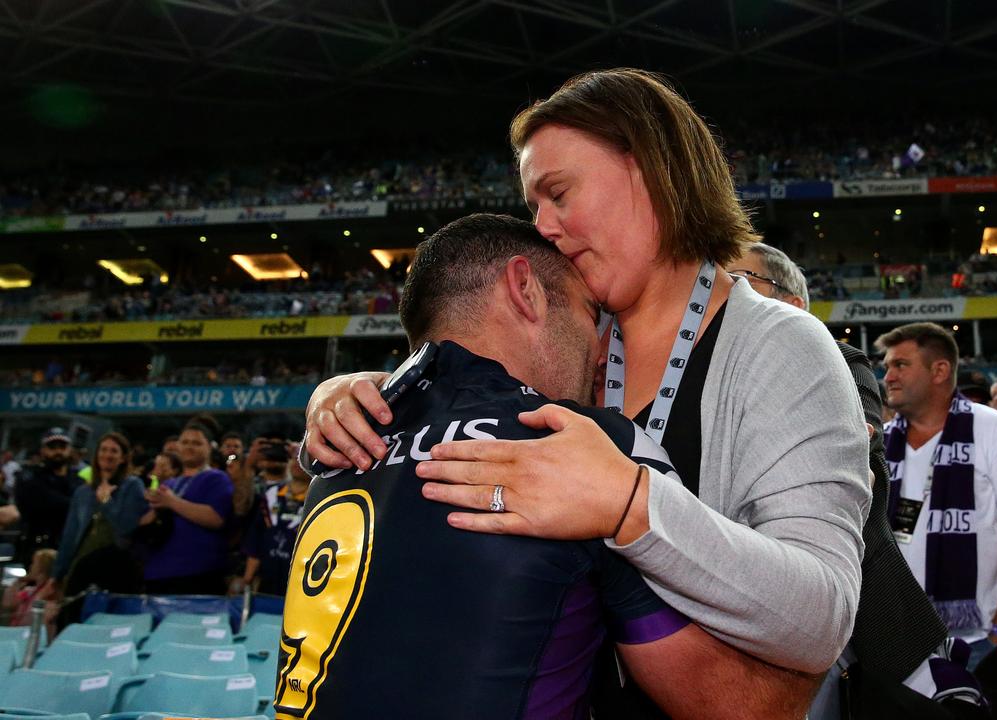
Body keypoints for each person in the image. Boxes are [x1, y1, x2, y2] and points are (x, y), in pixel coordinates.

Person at [303, 68, 870, 711]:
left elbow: (823, 617)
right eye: (533, 207)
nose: (543, 226)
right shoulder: (571, 347)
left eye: (558, 193)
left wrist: (630, 503)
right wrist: (355, 393)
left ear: (651, 173)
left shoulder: (782, 346)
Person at [283, 214, 820, 719]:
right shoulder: (578, 445)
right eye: (591, 314)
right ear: (526, 289)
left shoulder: (339, 440)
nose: (602, 349)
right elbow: (748, 708)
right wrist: (825, 649)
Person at [735, 244, 982, 718]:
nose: (725, 292)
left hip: (852, 635)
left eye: (742, 278)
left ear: (794, 307)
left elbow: (862, 475)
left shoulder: (842, 363)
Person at [875, 322, 997, 669]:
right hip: (892, 644)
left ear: (940, 370)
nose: (889, 377)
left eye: (900, 365)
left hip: (976, 643)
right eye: (887, 367)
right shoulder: (881, 442)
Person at [52, 432, 148, 626]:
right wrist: (57, 574)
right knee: (70, 624)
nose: (108, 454)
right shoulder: (83, 492)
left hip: (117, 570)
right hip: (80, 569)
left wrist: (106, 501)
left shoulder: (133, 486)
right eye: (103, 450)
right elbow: (70, 536)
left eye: (114, 451)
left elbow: (126, 527)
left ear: (123, 458)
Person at [140, 423, 233, 594]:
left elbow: (216, 518)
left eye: (197, 443)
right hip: (158, 572)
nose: (189, 447)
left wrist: (172, 502)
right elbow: (143, 523)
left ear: (209, 448)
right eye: (185, 442)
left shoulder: (217, 478)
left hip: (198, 574)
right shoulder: (169, 483)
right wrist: (155, 506)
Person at [234, 444, 307, 598]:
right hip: (267, 578)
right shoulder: (271, 495)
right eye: (294, 458)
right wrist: (247, 578)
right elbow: (255, 540)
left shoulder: (320, 501)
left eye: (304, 459)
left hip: (300, 581)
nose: (298, 462)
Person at [14, 428, 80, 566]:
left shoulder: (77, 479)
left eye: (62, 447)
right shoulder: (30, 477)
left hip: (70, 547)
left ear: (70, 450)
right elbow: (44, 504)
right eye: (52, 447)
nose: (58, 452)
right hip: (37, 547)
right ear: (42, 450)